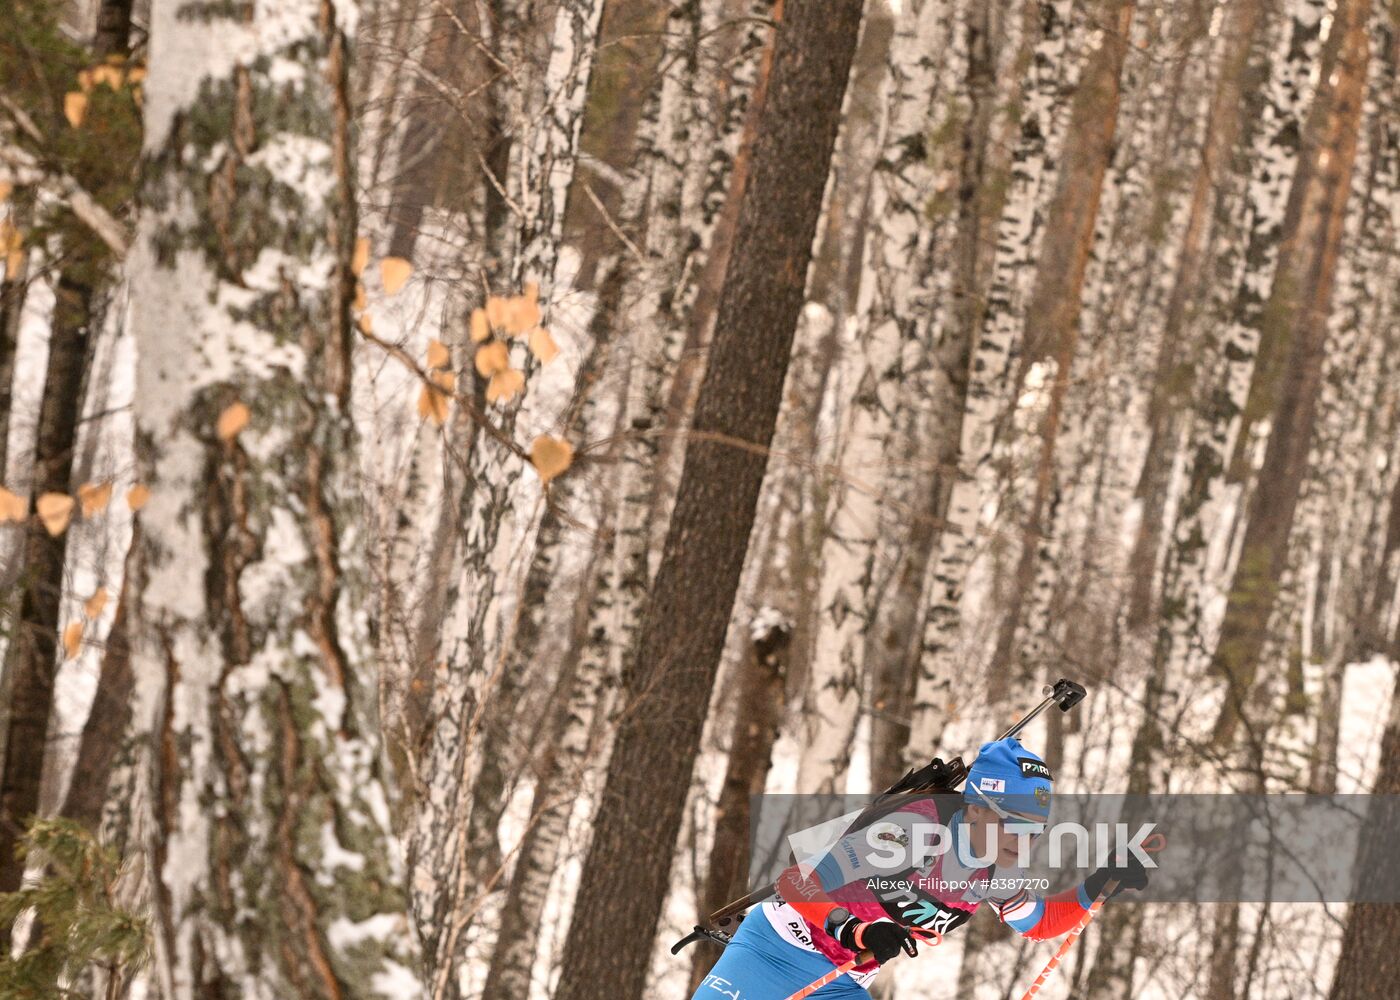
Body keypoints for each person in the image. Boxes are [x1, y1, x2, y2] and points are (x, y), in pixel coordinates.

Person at [691, 737, 1149, 999]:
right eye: (1014, 822)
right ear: (977, 809)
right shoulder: (915, 830)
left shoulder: (997, 871)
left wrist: (1099, 883)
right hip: (774, 950)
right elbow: (798, 880)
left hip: (839, 984)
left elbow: (1042, 923)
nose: (1022, 841)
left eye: (1036, 829)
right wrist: (855, 931)